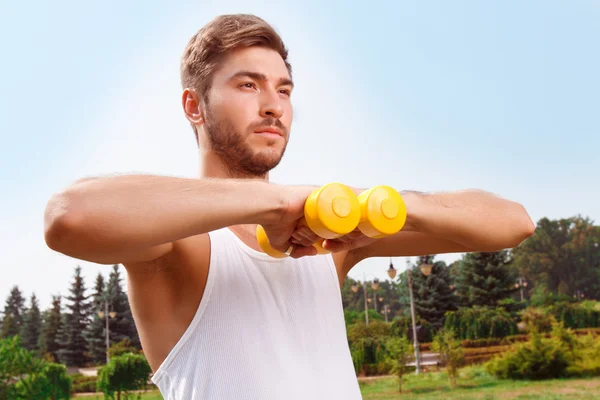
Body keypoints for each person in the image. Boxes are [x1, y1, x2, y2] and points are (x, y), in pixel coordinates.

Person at [43, 14, 535, 400]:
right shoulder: (181, 248)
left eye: (284, 89)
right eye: (247, 85)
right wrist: (276, 203)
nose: (274, 105)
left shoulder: (328, 240)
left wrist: (391, 204)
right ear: (194, 106)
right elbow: (69, 215)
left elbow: (513, 223)